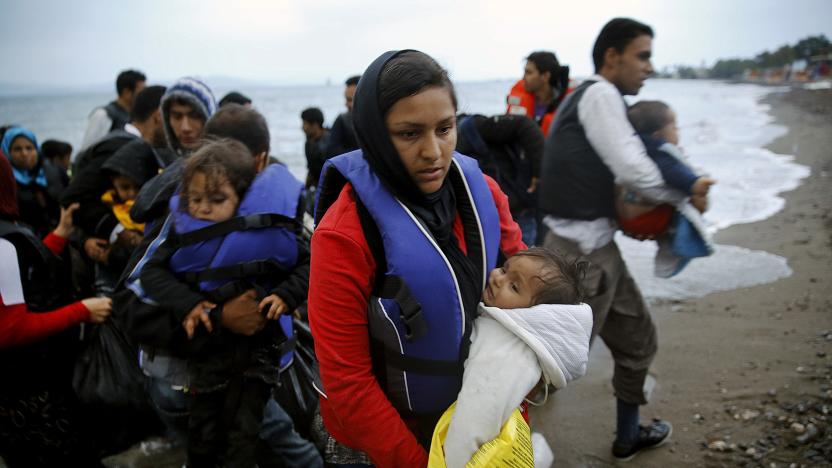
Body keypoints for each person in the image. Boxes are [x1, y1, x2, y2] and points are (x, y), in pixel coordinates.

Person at [309, 49, 525, 467]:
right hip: (379, 444)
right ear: (373, 134)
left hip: (478, 420)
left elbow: (529, 303)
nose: (434, 152)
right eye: (409, 134)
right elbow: (348, 382)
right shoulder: (342, 237)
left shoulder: (485, 194)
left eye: (445, 128)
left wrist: (513, 402)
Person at [120, 104, 322, 468]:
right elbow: (130, 300)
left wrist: (285, 295)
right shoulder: (182, 212)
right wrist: (220, 318)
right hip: (187, 375)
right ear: (261, 159)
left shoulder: (269, 215)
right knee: (276, 451)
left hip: (238, 369)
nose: (206, 205)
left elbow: (305, 266)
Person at [538, 17, 682, 461]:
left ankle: (627, 436)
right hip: (583, 255)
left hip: (593, 248)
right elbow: (634, 169)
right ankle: (495, 448)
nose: (649, 66)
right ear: (612, 57)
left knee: (638, 338)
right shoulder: (600, 93)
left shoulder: (590, 95)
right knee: (545, 369)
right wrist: (689, 192)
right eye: (642, 56)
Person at [0, 155, 112, 466]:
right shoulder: (5, 243)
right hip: (29, 389)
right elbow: (9, 329)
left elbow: (21, 274)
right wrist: (81, 311)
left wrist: (59, 234)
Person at [441, 247, 593, 468]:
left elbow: (474, 421)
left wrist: (451, 462)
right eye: (504, 269)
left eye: (514, 286)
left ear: (535, 314)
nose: (496, 279)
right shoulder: (511, 331)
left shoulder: (506, 352)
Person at [456, 113, 543, 245]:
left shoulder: (475, 128)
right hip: (490, 218)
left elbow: (524, 124)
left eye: (444, 129)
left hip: (518, 212)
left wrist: (539, 171)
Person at [1, 126, 62, 238]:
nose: (24, 153)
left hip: (60, 238)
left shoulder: (52, 171)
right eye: (17, 149)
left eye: (29, 148)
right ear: (6, 152)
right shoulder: (5, 182)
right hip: (27, 243)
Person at [79, 69, 146, 152]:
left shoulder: (135, 117)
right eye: (140, 92)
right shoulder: (103, 115)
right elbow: (87, 151)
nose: (144, 96)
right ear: (127, 92)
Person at [506, 51, 570, 136]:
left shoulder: (567, 106)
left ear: (545, 76)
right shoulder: (521, 99)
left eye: (529, 73)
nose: (523, 77)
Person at [324, 75, 360, 157]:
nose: (346, 104)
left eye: (350, 100)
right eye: (346, 99)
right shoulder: (342, 120)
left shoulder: (380, 120)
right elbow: (331, 151)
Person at [300, 107, 329, 189]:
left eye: (305, 124)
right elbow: (311, 170)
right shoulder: (309, 143)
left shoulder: (330, 143)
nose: (302, 128)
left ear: (315, 125)